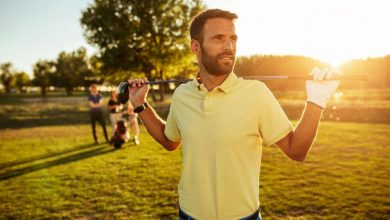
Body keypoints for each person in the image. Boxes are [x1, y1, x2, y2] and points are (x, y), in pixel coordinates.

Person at [127, 9, 340, 220]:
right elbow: (169, 140)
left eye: (233, 38)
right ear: (195, 47)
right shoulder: (182, 94)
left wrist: (316, 100)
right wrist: (139, 104)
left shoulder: (256, 92)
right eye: (219, 38)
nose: (229, 46)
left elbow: (297, 151)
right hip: (188, 214)